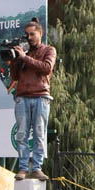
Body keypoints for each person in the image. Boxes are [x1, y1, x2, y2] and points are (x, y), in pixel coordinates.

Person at [9, 17, 56, 181]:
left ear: (40, 34)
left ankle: (36, 167)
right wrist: (14, 60)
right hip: (22, 97)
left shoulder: (49, 50)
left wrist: (24, 57)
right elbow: (14, 76)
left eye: (32, 34)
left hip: (41, 96)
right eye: (27, 34)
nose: (29, 37)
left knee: (39, 133)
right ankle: (23, 168)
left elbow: (46, 68)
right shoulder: (24, 52)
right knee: (21, 134)